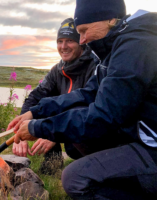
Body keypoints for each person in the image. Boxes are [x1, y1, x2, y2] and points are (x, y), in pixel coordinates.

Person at [8, 0, 157, 199]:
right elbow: (87, 93)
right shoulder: (116, 48)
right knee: (76, 138)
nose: (83, 40)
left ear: (110, 19)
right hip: (139, 137)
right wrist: (35, 112)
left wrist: (38, 128)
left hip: (151, 145)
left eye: (85, 30)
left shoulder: (136, 45)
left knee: (75, 178)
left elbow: (103, 115)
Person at [13, 18, 95, 174]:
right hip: (68, 129)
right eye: (60, 41)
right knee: (43, 107)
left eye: (70, 40)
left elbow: (89, 112)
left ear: (81, 42)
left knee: (64, 114)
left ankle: (95, 168)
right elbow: (35, 97)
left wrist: (54, 133)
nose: (63, 47)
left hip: (90, 133)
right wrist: (21, 127)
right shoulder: (57, 70)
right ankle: (53, 163)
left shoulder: (94, 66)